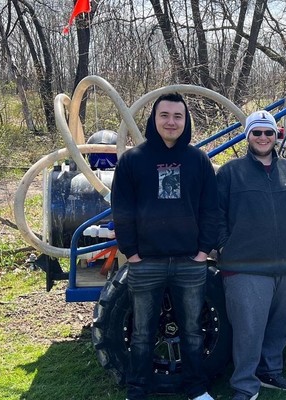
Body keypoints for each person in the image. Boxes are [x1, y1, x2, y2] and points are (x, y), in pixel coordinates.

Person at [111, 93, 218, 400]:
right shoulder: (133, 160)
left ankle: (196, 388)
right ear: (153, 119)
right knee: (142, 333)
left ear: (186, 121)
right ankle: (138, 390)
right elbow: (122, 210)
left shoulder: (198, 160)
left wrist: (203, 251)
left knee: (193, 332)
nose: (171, 122)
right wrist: (131, 253)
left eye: (178, 116)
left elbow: (211, 209)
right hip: (146, 262)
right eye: (165, 115)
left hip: (190, 262)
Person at [216, 110, 286, 400]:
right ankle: (244, 385)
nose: (263, 138)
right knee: (248, 331)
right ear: (248, 136)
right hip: (245, 266)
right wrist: (224, 246)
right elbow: (215, 214)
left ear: (276, 136)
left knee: (280, 326)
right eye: (257, 132)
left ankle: (270, 371)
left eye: (268, 133)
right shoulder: (230, 172)